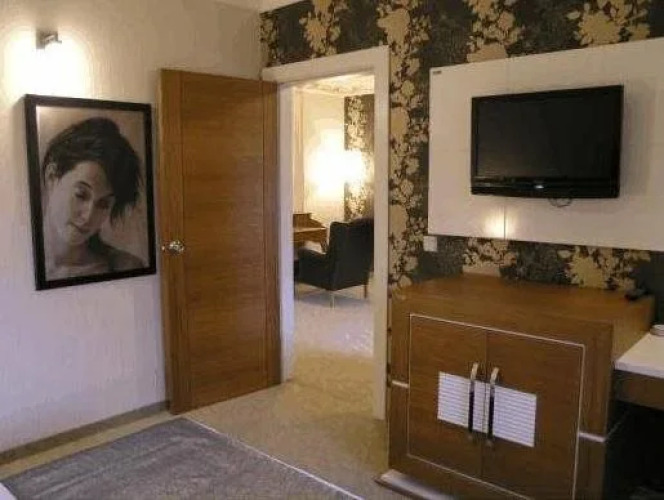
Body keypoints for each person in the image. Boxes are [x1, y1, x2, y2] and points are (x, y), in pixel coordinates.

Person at [41, 117, 145, 280]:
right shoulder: (11, 260)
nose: (88, 216)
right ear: (52, 177)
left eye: (103, 204)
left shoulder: (125, 267)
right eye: (81, 195)